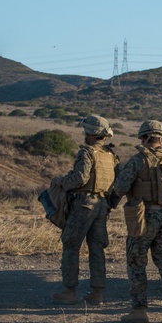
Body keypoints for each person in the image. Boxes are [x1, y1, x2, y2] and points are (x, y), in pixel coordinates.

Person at [107, 120, 162, 323]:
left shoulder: (138, 160)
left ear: (143, 138)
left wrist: (110, 205)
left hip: (143, 216)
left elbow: (120, 187)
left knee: (136, 261)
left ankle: (139, 310)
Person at [51, 114, 119, 306]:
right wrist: (110, 202)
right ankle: (97, 293)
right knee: (97, 248)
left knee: (71, 245)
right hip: (102, 205)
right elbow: (119, 182)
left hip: (84, 205)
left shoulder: (87, 153)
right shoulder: (110, 155)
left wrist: (61, 182)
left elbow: (80, 178)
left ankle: (69, 291)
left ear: (90, 133)